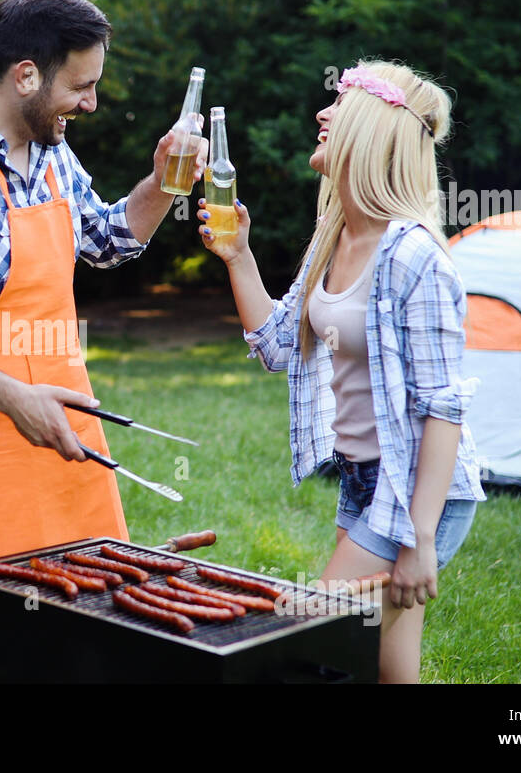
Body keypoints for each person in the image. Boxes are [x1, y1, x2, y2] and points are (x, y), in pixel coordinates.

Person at [0, 0, 206, 569]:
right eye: (82, 86)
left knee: (86, 616)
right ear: (26, 75)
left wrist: (162, 181)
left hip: (62, 428)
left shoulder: (53, 155)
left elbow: (106, 240)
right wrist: (15, 400)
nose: (91, 103)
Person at [197, 60, 486, 682]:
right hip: (363, 481)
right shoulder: (335, 233)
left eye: (339, 106)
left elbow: (444, 406)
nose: (322, 115)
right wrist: (238, 255)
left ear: (371, 130)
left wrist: (421, 540)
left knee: (303, 641)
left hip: (415, 492)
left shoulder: (415, 256)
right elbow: (278, 346)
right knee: (388, 663)